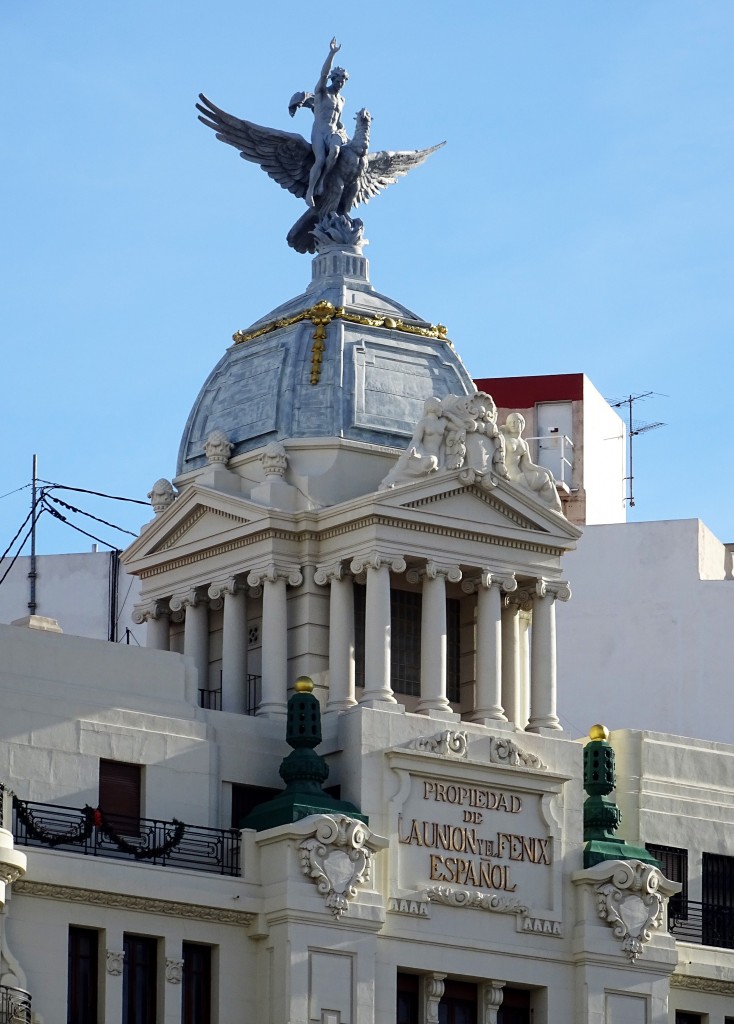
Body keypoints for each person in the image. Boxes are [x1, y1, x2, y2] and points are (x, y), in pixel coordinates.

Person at [304, 38, 349, 207]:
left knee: (336, 151)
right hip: (319, 131)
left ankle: (322, 180)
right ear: (333, 80)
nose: (340, 84)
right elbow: (323, 74)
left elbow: (337, 121)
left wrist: (342, 129)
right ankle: (310, 192)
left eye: (343, 82)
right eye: (338, 81)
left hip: (331, 132)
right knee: (320, 159)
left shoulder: (342, 100)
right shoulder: (322, 92)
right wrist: (331, 54)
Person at [501, 413, 562, 512]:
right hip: (510, 476)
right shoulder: (505, 438)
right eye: (510, 422)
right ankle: (546, 507)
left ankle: (554, 507)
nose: (512, 424)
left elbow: (528, 464)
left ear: (522, 424)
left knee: (545, 477)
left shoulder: (524, 443)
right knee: (530, 492)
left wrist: (546, 471)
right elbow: (500, 458)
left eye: (515, 421)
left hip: (520, 475)